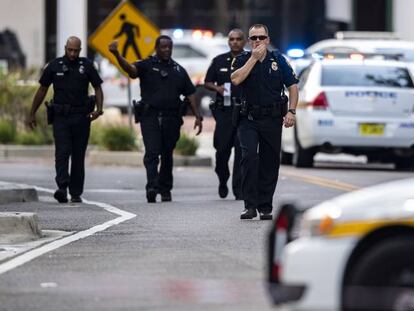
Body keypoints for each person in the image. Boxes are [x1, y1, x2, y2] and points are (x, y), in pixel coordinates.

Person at [108, 35, 203, 203]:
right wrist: (116, 54)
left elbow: (190, 93)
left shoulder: (178, 70)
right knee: (152, 153)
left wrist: (197, 116)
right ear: (156, 48)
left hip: (172, 118)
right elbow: (131, 70)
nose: (166, 50)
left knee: (167, 154)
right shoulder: (147, 65)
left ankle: (165, 189)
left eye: (169, 47)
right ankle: (152, 187)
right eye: (163, 47)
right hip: (150, 116)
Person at [231, 24, 298, 220]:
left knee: (270, 162)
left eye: (261, 37)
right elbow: (235, 79)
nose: (257, 41)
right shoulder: (242, 59)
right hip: (248, 119)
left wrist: (292, 111)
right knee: (250, 157)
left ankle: (265, 206)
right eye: (253, 38)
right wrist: (253, 59)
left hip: (272, 119)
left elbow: (292, 86)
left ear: (268, 40)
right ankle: (249, 205)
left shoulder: (278, 60)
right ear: (249, 41)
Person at [28, 36, 104, 203]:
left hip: (81, 117)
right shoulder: (54, 66)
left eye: (76, 50)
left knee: (78, 155)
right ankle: (62, 188)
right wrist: (32, 113)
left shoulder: (87, 66)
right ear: (65, 48)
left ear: (80, 50)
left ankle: (76, 192)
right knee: (62, 153)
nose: (72, 53)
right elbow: (42, 89)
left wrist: (98, 110)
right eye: (70, 50)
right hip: (61, 117)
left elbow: (97, 87)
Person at [204, 29, 245, 200]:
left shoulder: (250, 60)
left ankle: (239, 190)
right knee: (221, 152)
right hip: (225, 112)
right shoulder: (219, 60)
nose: (235, 42)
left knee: (242, 152)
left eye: (238, 39)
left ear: (244, 41)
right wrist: (217, 88)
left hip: (243, 111)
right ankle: (223, 179)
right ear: (228, 41)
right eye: (232, 39)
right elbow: (207, 82)